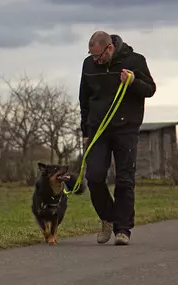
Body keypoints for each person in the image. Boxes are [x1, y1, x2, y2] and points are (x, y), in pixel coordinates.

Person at [79, 31, 156, 245]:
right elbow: (84, 98)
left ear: (110, 48)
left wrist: (133, 82)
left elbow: (150, 89)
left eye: (99, 56)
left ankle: (123, 230)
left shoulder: (135, 61)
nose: (96, 60)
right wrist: (85, 130)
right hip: (98, 130)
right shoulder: (88, 65)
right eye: (92, 56)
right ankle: (108, 218)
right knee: (94, 176)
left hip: (126, 129)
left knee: (124, 180)